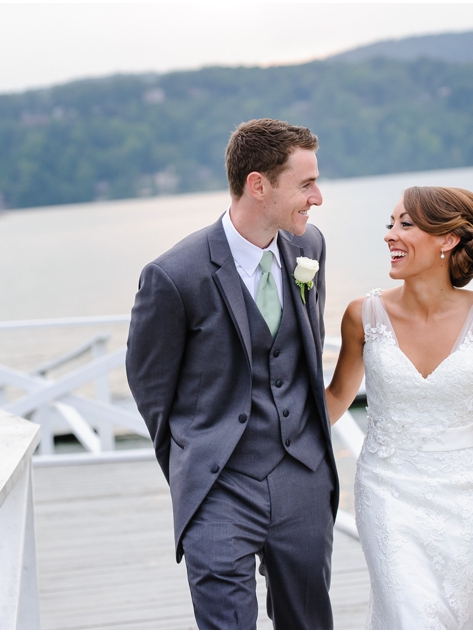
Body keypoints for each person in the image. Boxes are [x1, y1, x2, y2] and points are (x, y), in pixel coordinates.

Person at [126, 118, 339, 629]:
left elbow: (304, 354)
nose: (317, 198)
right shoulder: (174, 275)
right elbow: (150, 389)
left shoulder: (309, 249)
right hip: (217, 487)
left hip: (302, 477)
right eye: (306, 184)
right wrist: (191, 465)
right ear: (258, 185)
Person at [324, 186, 473, 629]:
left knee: (461, 617)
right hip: (386, 492)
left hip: (466, 499)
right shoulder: (362, 314)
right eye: (390, 224)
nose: (390, 234)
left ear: (447, 239)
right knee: (408, 615)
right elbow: (334, 400)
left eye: (406, 224)